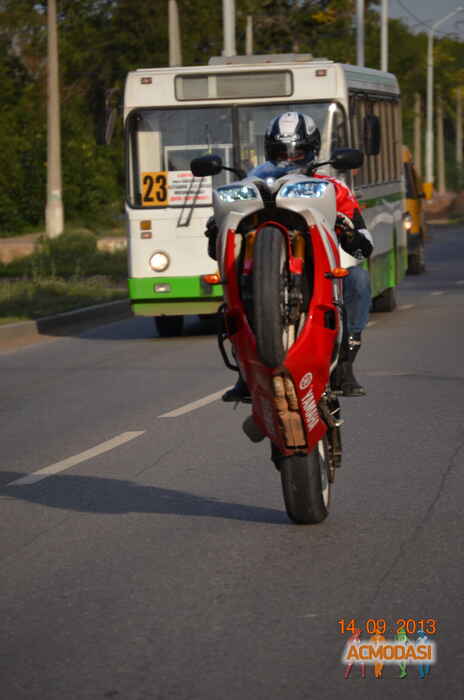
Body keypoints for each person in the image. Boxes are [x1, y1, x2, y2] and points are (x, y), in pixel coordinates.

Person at [205, 111, 373, 401]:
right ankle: (245, 372)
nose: (289, 159)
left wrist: (347, 231)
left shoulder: (332, 188)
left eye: (298, 153)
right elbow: (214, 250)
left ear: (312, 152)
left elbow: (364, 245)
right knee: (231, 285)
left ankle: (344, 365)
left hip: (321, 274)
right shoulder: (252, 185)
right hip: (261, 276)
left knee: (357, 279)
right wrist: (215, 229)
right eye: (281, 152)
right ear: (270, 151)